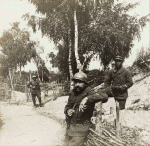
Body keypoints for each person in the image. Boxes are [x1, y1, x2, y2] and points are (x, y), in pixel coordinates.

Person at [64, 71, 108, 146]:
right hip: (70, 128)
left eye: (80, 82)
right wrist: (68, 110)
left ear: (85, 83)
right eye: (75, 82)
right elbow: (67, 106)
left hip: (81, 129)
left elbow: (105, 96)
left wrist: (87, 98)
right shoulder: (73, 93)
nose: (77, 85)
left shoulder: (89, 91)